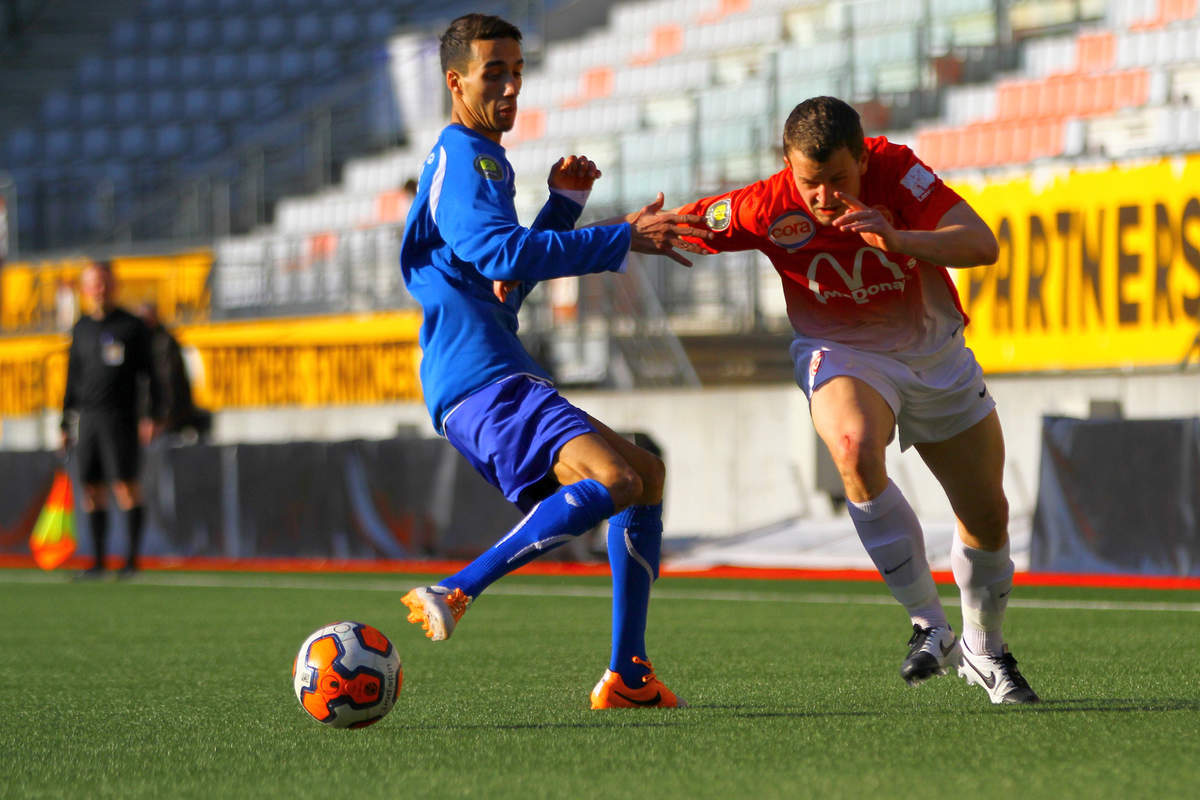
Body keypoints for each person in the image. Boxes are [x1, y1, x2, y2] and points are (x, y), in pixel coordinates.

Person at [671, 97, 1038, 704]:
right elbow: (675, 227)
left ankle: (984, 647)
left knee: (987, 517)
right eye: (807, 182)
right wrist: (586, 235)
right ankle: (929, 624)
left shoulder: (898, 170)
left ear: (862, 158)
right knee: (853, 445)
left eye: (837, 179)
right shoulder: (763, 205)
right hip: (840, 350)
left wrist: (896, 235)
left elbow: (980, 244)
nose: (821, 197)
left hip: (935, 354)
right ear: (786, 166)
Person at [398, 13, 710, 709]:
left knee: (645, 476)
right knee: (619, 479)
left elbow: (503, 283)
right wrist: (621, 238)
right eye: (493, 74)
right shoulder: (467, 160)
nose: (510, 87)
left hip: (488, 370)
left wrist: (563, 208)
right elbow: (504, 257)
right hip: (482, 377)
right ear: (455, 82)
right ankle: (458, 588)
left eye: (516, 72)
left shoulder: (479, 161)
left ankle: (629, 676)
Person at [61, 260, 163, 578]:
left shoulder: (131, 327)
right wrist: (64, 423)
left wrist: (152, 415)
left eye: (104, 283)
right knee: (91, 489)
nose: (99, 289)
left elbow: (152, 375)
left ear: (114, 286)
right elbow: (72, 379)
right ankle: (99, 561)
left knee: (125, 486)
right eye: (94, 284)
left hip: (121, 417)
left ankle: (131, 561)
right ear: (85, 289)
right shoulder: (81, 327)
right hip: (88, 418)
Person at [137, 302, 211, 442]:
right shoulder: (142, 343)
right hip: (153, 418)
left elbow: (168, 383)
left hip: (164, 420)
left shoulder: (163, 344)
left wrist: (159, 418)